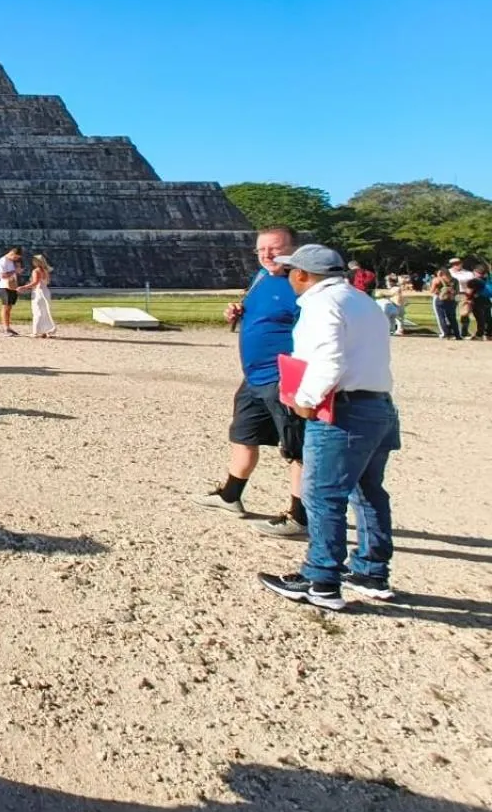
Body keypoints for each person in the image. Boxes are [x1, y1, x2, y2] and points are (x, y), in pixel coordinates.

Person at [259, 245, 400, 611]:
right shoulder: (362, 300)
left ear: (304, 274)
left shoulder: (321, 305)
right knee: (368, 491)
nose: (288, 276)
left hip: (342, 409)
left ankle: (320, 579)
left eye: (292, 271)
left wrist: (305, 399)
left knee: (323, 496)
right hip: (378, 405)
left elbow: (328, 360)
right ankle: (371, 570)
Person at [192, 226, 307, 537]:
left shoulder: (303, 283)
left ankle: (300, 515)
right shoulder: (261, 277)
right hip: (255, 374)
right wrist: (239, 312)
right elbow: (264, 312)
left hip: (285, 375)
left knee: (296, 447)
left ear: (293, 249)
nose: (267, 255)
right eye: (261, 250)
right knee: (244, 434)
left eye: (275, 248)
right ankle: (230, 495)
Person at [19, 253, 57, 338]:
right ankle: (47, 330)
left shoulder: (36, 271)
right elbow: (47, 282)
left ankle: (36, 331)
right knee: (45, 311)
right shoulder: (46, 270)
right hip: (46, 291)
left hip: (38, 292)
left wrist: (24, 287)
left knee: (37, 311)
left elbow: (35, 282)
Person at [0, 246, 24, 336]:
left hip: (12, 286)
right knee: (5, 307)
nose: (16, 259)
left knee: (9, 307)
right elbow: (3, 276)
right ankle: (5, 328)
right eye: (15, 257)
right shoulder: (3, 261)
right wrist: (14, 271)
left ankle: (7, 327)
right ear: (12, 253)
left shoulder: (12, 262)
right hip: (5, 286)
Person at [448, 257, 477, 339]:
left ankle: (464, 331)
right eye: (454, 264)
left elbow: (472, 284)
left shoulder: (468, 273)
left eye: (458, 263)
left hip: (464, 294)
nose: (456, 265)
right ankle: (450, 331)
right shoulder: (448, 272)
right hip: (451, 294)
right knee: (450, 313)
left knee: (464, 313)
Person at [428, 268, 460, 340]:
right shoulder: (455, 280)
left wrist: (437, 278)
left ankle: (445, 334)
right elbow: (457, 292)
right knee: (452, 318)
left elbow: (432, 291)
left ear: (440, 273)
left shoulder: (437, 280)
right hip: (452, 300)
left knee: (441, 317)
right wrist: (457, 301)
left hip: (440, 299)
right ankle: (457, 334)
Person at [469, 264, 491, 341]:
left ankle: (479, 335)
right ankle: (489, 335)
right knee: (488, 318)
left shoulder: (474, 281)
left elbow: (469, 292)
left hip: (477, 301)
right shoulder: (487, 280)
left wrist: (468, 299)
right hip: (487, 300)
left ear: (475, 272)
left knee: (480, 318)